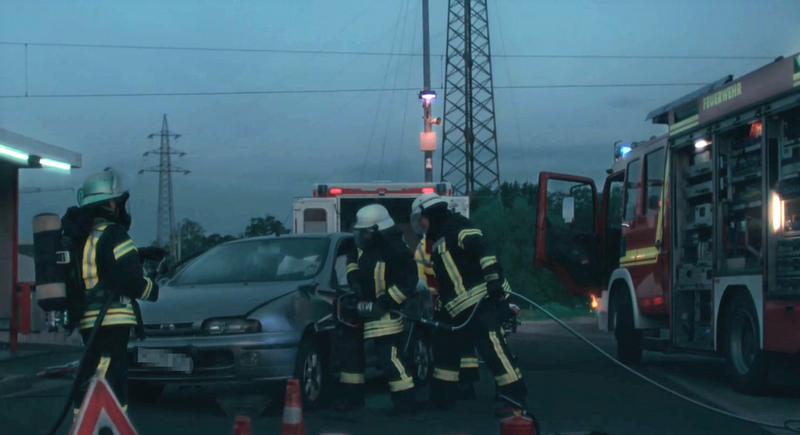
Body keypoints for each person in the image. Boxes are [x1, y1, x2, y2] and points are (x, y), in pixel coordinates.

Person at [410, 192, 527, 417]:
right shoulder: (437, 239)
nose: (420, 223)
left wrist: (492, 279)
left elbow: (483, 248)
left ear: (430, 214)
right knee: (443, 349)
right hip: (455, 308)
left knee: (492, 348)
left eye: (421, 218)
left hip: (480, 302)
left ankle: (514, 398)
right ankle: (443, 398)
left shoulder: (457, 225)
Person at [65, 169, 163, 416]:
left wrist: (139, 253)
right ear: (110, 204)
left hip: (88, 317)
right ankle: (109, 427)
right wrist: (153, 289)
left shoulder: (82, 237)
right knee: (110, 377)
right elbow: (129, 279)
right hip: (112, 318)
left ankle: (84, 424)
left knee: (92, 371)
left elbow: (102, 266)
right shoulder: (115, 234)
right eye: (116, 201)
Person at [334, 204, 419, 417]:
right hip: (361, 311)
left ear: (376, 229)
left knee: (389, 358)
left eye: (364, 232)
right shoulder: (363, 247)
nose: (361, 236)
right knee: (351, 357)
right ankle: (352, 400)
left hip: (386, 314)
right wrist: (354, 285)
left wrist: (386, 302)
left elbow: (408, 281)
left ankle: (405, 403)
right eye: (359, 232)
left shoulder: (397, 250)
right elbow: (352, 263)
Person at [412, 217, 480, 401]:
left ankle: (463, 386)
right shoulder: (421, 248)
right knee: (449, 345)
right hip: (437, 301)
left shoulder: (450, 241)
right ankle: (455, 389)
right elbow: (419, 280)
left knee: (462, 344)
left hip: (455, 300)